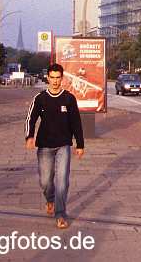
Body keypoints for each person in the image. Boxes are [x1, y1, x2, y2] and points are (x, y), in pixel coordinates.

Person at [25, 63, 84, 229]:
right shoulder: (40, 98)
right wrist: (29, 136)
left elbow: (76, 123)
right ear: (48, 78)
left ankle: (60, 214)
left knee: (62, 181)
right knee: (45, 181)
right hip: (44, 146)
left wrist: (80, 144)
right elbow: (31, 118)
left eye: (58, 78)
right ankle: (50, 199)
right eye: (52, 78)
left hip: (64, 145)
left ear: (62, 78)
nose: (55, 81)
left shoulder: (69, 98)